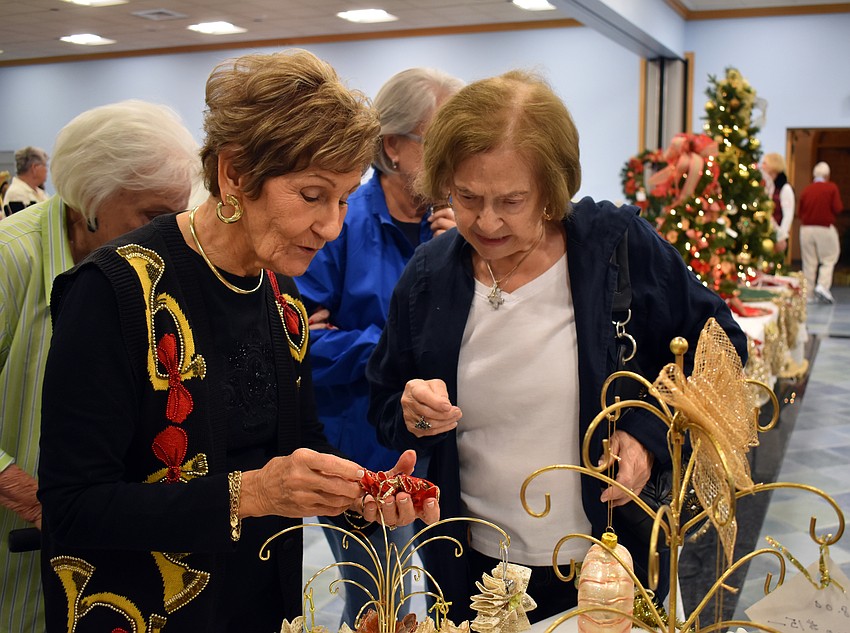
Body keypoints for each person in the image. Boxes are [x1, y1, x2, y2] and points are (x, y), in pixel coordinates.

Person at [37, 50, 439, 633]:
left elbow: (304, 443)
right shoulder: (115, 291)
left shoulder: (281, 297)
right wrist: (250, 495)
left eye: (346, 198)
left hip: (260, 606)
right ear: (234, 174)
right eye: (312, 195)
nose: (332, 226)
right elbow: (72, 507)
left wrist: (359, 492)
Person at [367, 70, 747, 624]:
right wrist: (413, 414)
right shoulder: (429, 275)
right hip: (472, 572)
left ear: (551, 187)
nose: (486, 220)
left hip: (607, 566)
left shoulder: (615, 248)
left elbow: (721, 347)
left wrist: (647, 435)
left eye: (511, 200)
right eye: (467, 197)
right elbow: (385, 403)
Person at [0, 99, 201, 633]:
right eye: (153, 217)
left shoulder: (151, 270)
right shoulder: (10, 260)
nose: (170, 234)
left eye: (179, 214)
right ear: (89, 200)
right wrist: (36, 498)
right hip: (16, 552)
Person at [296, 67, 463, 627]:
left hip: (449, 451)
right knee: (379, 606)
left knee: (455, 599)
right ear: (393, 146)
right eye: (439, 141)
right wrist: (396, 349)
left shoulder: (458, 229)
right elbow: (302, 342)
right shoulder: (341, 223)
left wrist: (456, 260)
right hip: (361, 452)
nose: (454, 158)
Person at [798, 161, 844, 304]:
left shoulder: (806, 189)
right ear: (827, 175)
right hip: (824, 227)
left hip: (806, 229)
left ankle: (808, 294)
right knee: (829, 258)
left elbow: (800, 211)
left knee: (809, 262)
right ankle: (823, 286)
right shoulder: (831, 188)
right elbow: (838, 208)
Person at [2, 146, 49, 217]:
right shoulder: (16, 193)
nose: (46, 170)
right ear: (34, 168)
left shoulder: (39, 192)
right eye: (45, 165)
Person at [761, 152, 794, 253]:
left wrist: (781, 236)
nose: (762, 166)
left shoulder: (785, 188)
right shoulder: (765, 186)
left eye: (765, 163)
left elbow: (788, 215)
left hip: (777, 236)